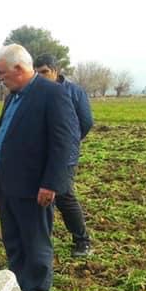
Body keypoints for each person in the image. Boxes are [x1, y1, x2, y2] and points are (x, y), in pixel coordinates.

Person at [0, 45, 80, 291]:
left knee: (36, 240)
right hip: (8, 184)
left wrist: (51, 183)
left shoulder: (52, 94)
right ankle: (18, 287)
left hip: (34, 186)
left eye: (2, 73)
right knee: (14, 240)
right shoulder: (12, 97)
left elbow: (66, 144)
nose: (0, 78)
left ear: (18, 69)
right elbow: (3, 138)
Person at [34, 53, 95, 257]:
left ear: (55, 71)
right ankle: (42, 240)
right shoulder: (35, 92)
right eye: (37, 72)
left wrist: (68, 144)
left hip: (63, 156)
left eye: (44, 72)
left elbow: (85, 121)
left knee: (64, 195)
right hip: (40, 154)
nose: (40, 76)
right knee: (40, 197)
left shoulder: (73, 92)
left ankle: (82, 240)